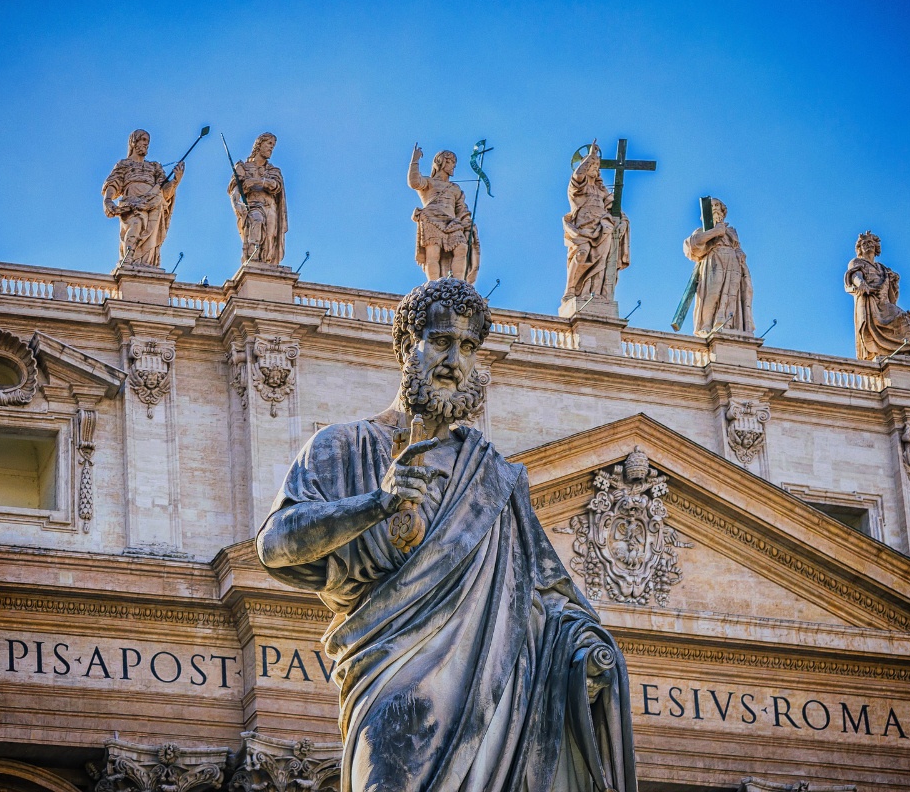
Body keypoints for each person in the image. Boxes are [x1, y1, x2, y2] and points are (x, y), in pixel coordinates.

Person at [257, 277, 636, 792]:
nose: (455, 361)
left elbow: (546, 599)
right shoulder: (346, 448)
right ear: (405, 349)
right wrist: (376, 503)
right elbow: (275, 545)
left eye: (469, 347)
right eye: (440, 342)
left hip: (490, 703)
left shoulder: (495, 479)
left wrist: (583, 649)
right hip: (389, 684)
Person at [102, 130, 183, 268]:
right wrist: (108, 199)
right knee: (136, 224)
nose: (146, 144)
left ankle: (146, 266)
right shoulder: (124, 164)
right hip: (132, 203)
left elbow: (164, 191)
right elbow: (113, 183)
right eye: (144, 140)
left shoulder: (154, 166)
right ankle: (128, 261)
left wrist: (176, 180)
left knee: (150, 235)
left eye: (148, 141)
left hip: (154, 202)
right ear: (134, 141)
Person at [563, 141, 629, 302]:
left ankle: (596, 294)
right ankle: (571, 291)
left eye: (596, 166)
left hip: (603, 228)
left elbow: (616, 209)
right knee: (581, 254)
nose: (594, 168)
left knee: (603, 261)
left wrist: (623, 222)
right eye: (591, 165)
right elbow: (578, 175)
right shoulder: (577, 188)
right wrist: (591, 156)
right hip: (582, 230)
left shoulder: (601, 191)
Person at [844, 231, 910, 360]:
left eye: (870, 243)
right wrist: (861, 283)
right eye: (864, 243)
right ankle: (883, 351)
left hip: (884, 302)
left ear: (876, 247)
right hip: (869, 299)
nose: (868, 245)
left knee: (904, 318)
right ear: (860, 248)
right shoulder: (856, 262)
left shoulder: (882, 268)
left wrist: (894, 281)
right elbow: (854, 275)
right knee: (877, 327)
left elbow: (892, 296)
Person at [408, 146, 479, 283]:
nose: (453, 166)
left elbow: (462, 209)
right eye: (451, 162)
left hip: (452, 222)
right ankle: (433, 285)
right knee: (433, 252)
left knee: (462, 248)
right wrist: (415, 161)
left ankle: (458, 284)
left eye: (454, 163)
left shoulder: (455, 189)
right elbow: (414, 182)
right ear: (441, 162)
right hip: (431, 218)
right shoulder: (429, 182)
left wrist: (467, 222)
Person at [682, 198, 753, 334]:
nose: (714, 208)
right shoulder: (701, 231)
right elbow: (691, 246)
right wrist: (714, 232)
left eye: (716, 205)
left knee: (732, 293)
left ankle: (728, 325)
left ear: (722, 210)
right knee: (713, 293)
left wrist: (740, 253)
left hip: (733, 261)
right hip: (714, 258)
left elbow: (737, 247)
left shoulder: (731, 232)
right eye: (711, 206)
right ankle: (706, 325)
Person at [230, 132, 288, 265]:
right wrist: (236, 204)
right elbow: (235, 189)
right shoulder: (243, 167)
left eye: (273, 145)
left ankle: (266, 269)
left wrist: (257, 182)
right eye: (269, 143)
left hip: (271, 209)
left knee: (269, 241)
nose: (271, 148)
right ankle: (252, 261)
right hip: (253, 206)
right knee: (257, 221)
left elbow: (276, 185)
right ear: (259, 144)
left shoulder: (273, 170)